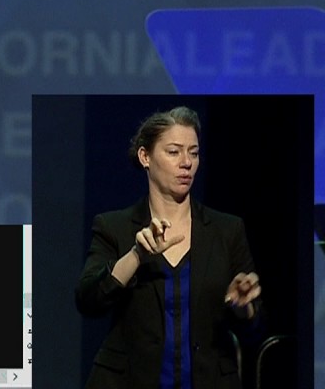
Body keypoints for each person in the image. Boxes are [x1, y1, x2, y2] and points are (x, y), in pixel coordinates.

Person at [75, 106, 261, 388]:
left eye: (193, 153)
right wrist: (136, 256)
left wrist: (242, 308)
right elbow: (88, 301)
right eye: (174, 152)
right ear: (145, 157)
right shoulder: (115, 226)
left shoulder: (226, 230)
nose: (186, 163)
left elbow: (255, 331)